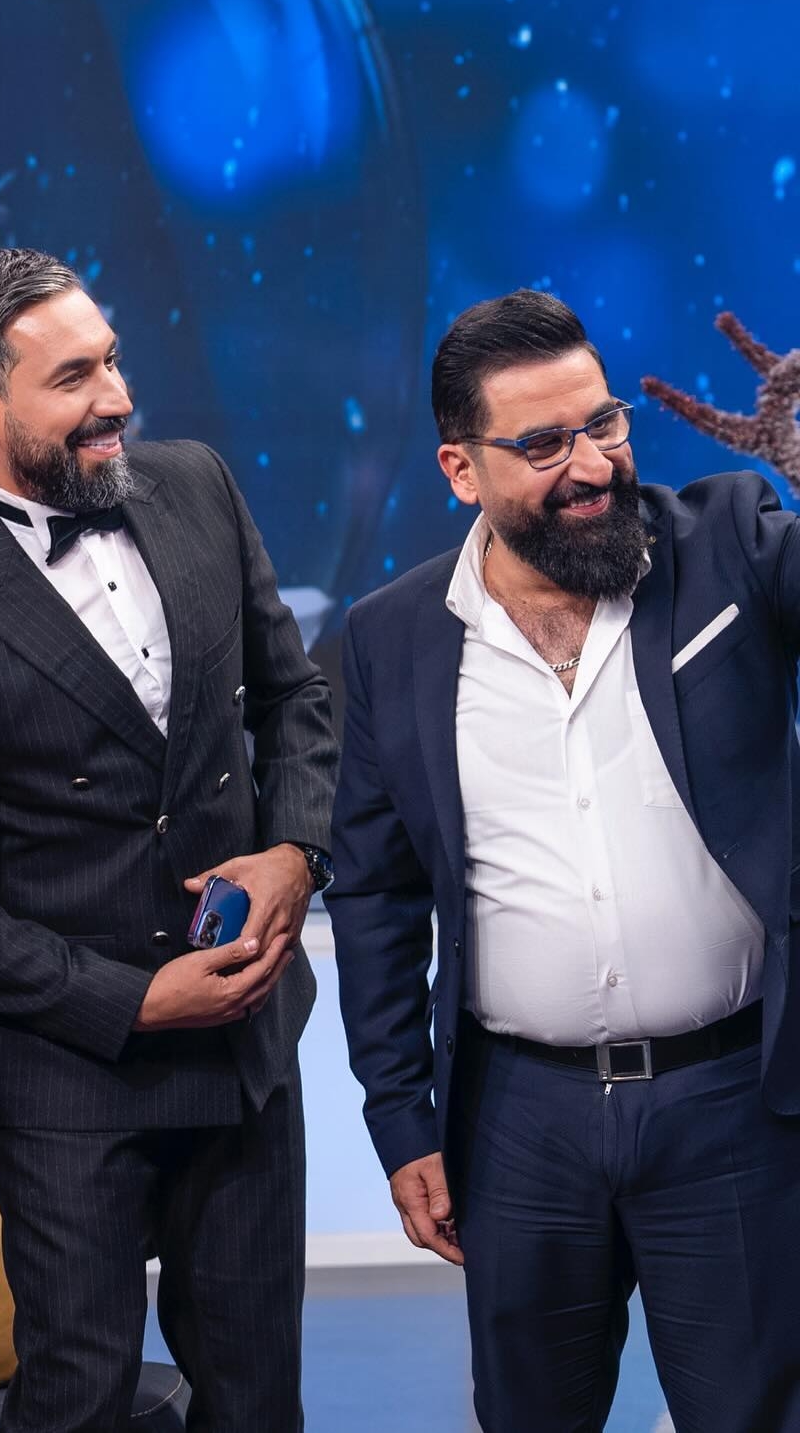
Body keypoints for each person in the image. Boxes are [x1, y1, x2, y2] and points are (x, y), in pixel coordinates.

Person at [0, 247, 337, 1431]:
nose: (116, 397)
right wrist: (136, 1001)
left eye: (111, 361)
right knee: (77, 1400)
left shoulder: (199, 484)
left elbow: (296, 701)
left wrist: (295, 853)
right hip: (65, 1077)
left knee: (258, 1401)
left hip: (245, 1051)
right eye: (73, 378)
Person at [327, 287, 800, 1433]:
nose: (591, 466)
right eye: (543, 444)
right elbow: (377, 895)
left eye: (604, 425)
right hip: (517, 1123)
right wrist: (401, 1119)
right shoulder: (392, 637)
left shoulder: (731, 544)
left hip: (733, 1105)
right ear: (461, 469)